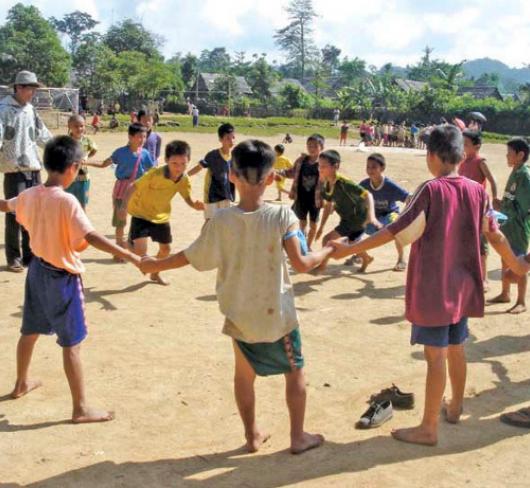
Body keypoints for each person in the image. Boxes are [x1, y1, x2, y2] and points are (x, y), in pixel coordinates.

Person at [329, 125, 529, 446]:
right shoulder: (477, 191)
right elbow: (494, 233)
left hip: (434, 291)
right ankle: (455, 407)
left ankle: (428, 428)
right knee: (457, 348)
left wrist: (350, 249)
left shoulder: (430, 190)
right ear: (461, 156)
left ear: (432, 156)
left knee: (435, 357)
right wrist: (518, 264)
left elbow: (395, 231)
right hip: (463, 287)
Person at [139, 139, 333, 454]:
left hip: (239, 313)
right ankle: (298, 437)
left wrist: (155, 264)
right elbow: (302, 262)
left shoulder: (221, 220)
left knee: (244, 376)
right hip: (277, 315)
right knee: (295, 371)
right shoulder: (283, 216)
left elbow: (191, 256)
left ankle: (252, 435)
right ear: (272, 178)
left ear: (231, 174)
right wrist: (328, 250)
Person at [0, 135, 140, 422]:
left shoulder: (30, 194)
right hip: (62, 278)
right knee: (71, 342)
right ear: (74, 167)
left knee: (29, 331)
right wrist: (132, 256)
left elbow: (5, 206)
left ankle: (20, 383)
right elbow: (90, 237)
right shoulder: (67, 201)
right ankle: (80, 408)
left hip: (37, 271)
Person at [128, 140, 204, 285]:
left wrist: (195, 205)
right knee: (140, 253)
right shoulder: (154, 174)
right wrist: (121, 207)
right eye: (175, 163)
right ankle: (129, 244)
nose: (179, 168)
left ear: (188, 162)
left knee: (166, 250)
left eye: (183, 164)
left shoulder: (184, 179)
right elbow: (133, 186)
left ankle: (155, 273)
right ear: (167, 160)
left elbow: (188, 198)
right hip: (141, 213)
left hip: (161, 216)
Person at [0, 70, 52, 272]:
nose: (32, 92)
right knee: (14, 213)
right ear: (18, 87)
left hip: (33, 168)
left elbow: (42, 136)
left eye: (34, 89)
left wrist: (62, 149)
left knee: (34, 214)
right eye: (30, 88)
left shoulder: (31, 110)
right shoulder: (3, 109)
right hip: (14, 170)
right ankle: (13, 257)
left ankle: (31, 254)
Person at [90, 123, 154, 251]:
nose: (142, 140)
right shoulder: (120, 152)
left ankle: (131, 247)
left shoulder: (145, 154)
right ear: (130, 137)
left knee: (138, 221)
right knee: (120, 222)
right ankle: (119, 250)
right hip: (121, 191)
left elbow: (152, 172)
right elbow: (104, 164)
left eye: (144, 137)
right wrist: (86, 162)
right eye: (139, 137)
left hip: (139, 190)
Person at [315, 150, 378, 273]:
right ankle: (367, 258)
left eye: (323, 166)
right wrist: (321, 227)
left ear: (336, 166)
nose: (320, 169)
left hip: (358, 218)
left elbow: (367, 194)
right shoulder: (326, 183)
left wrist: (371, 216)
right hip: (346, 219)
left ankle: (322, 266)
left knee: (329, 240)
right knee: (352, 244)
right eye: (319, 166)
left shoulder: (344, 182)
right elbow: (328, 206)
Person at [488, 138, 530, 314]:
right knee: (505, 256)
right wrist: (500, 205)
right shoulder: (515, 171)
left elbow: (524, 207)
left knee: (520, 260)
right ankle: (505, 293)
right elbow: (511, 199)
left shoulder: (524, 176)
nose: (506, 155)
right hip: (507, 224)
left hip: (518, 227)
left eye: (509, 152)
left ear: (520, 155)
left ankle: (521, 301)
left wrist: (506, 211)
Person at [459, 130, 500, 290]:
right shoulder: (461, 161)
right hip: (464, 207)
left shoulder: (480, 161)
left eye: (466, 144)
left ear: (476, 146)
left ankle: (484, 279)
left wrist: (495, 197)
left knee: (481, 243)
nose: (463, 146)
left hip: (479, 208)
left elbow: (492, 179)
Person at [359, 153, 411, 271]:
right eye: (368, 167)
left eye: (374, 167)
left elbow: (407, 197)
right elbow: (354, 197)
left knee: (396, 226)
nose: (370, 170)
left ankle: (401, 259)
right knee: (354, 227)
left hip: (389, 214)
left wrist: (405, 215)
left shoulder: (390, 185)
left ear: (382, 168)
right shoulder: (364, 184)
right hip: (373, 217)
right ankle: (360, 254)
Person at [278, 134, 325, 250]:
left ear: (322, 147)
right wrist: (279, 173)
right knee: (302, 223)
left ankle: (308, 246)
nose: (311, 148)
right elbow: (292, 172)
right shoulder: (301, 161)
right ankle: (303, 245)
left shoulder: (324, 164)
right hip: (301, 197)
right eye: (309, 146)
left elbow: (331, 180)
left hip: (316, 200)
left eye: (315, 146)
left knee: (313, 225)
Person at [188, 123, 236, 220]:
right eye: (228, 138)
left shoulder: (234, 157)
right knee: (209, 223)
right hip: (212, 196)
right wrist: (185, 176)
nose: (232, 141)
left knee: (224, 223)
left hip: (227, 195)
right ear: (220, 140)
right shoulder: (213, 155)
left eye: (233, 137)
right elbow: (199, 167)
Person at [64, 114, 98, 210]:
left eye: (81, 126)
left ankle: (81, 223)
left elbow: (94, 149)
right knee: (68, 204)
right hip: (68, 178)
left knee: (82, 205)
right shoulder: (66, 141)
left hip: (83, 178)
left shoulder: (87, 140)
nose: (79, 129)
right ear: (69, 127)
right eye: (76, 126)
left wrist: (87, 157)